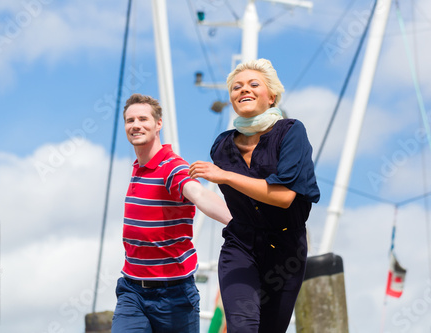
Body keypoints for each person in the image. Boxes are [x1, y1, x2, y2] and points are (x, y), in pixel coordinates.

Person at [189, 59, 320, 333]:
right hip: (241, 245)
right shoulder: (222, 147)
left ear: (271, 96)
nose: (243, 90)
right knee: (243, 327)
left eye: (253, 84)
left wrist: (225, 176)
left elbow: (284, 196)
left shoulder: (291, 132)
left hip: (286, 250)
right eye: (236, 87)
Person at [111, 93, 232, 333]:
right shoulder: (139, 167)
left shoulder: (171, 166)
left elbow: (198, 194)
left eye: (143, 119)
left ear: (158, 124)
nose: (135, 125)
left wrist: (240, 223)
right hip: (132, 290)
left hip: (173, 294)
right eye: (130, 120)